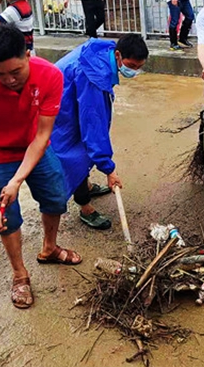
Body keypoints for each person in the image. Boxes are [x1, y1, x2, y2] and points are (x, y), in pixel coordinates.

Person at [0, 24, 81, 310]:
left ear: (28, 54)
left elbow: (42, 136)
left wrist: (18, 179)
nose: (8, 80)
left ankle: (49, 248)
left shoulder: (50, 75)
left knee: (55, 197)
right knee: (6, 219)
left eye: (15, 72)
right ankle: (19, 274)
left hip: (34, 148)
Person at [51, 34, 149, 229]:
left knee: (84, 145)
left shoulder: (104, 54)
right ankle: (85, 206)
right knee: (76, 154)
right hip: (59, 110)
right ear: (119, 55)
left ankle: (86, 186)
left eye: (139, 67)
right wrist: (108, 169)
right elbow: (93, 126)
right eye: (132, 65)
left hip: (66, 97)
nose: (133, 71)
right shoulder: (94, 75)